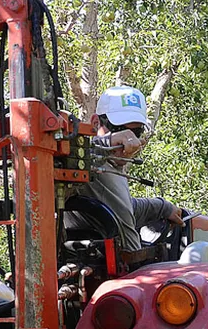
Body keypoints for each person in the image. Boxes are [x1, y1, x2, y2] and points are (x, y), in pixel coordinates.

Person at [73, 85, 184, 252]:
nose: (129, 140)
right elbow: (71, 151)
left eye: (136, 132)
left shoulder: (112, 166)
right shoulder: (85, 163)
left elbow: (124, 209)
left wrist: (163, 207)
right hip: (115, 267)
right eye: (120, 129)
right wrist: (107, 143)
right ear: (95, 123)